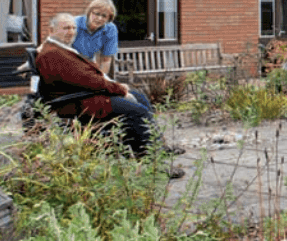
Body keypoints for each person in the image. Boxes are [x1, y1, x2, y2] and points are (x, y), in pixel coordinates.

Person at [35, 11, 182, 176]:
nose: (71, 32)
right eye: (65, 28)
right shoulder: (53, 54)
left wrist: (116, 86)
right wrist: (119, 89)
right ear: (51, 30)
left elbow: (86, 77)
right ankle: (154, 163)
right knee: (136, 111)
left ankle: (156, 146)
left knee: (140, 98)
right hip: (79, 103)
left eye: (73, 27)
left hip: (85, 95)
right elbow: (88, 80)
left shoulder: (58, 49)